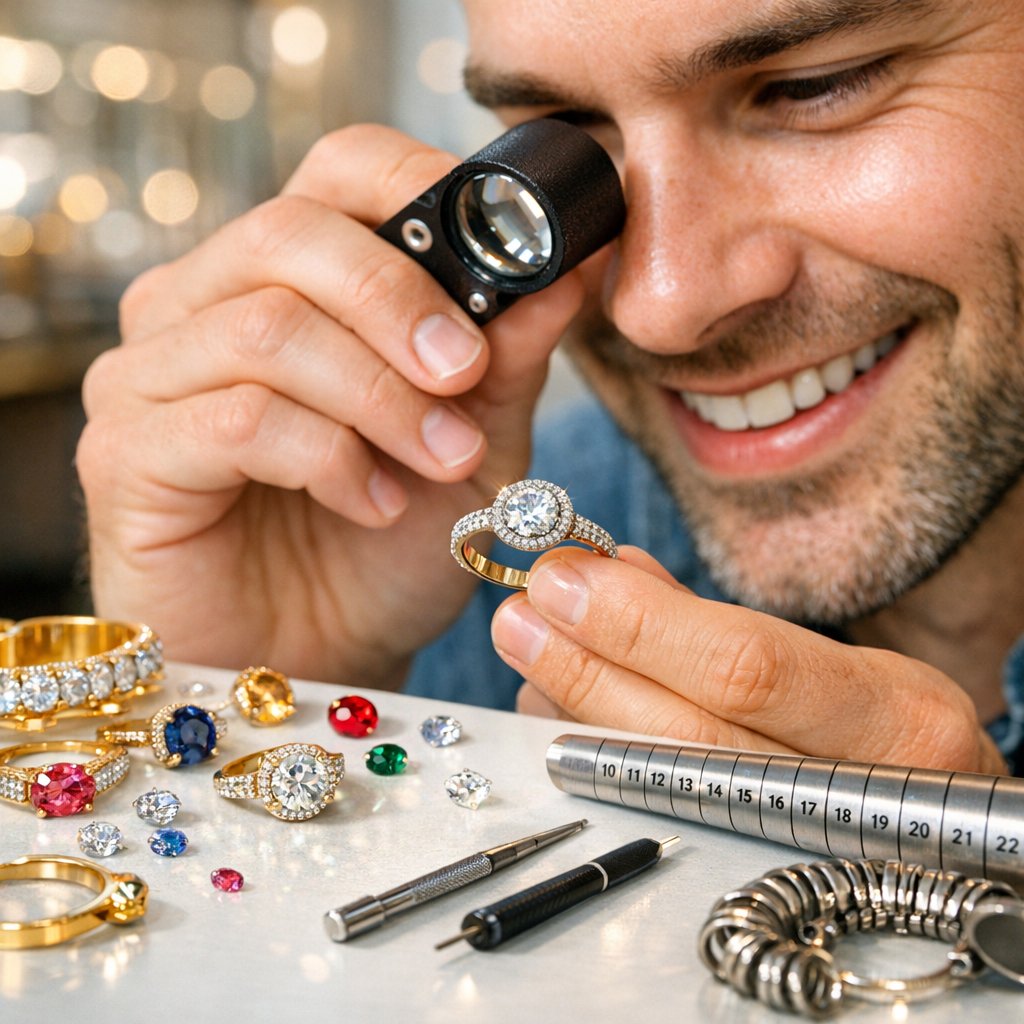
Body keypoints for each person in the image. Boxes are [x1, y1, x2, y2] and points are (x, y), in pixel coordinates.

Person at [78, 0, 1024, 776]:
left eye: (815, 88)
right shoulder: (497, 552)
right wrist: (254, 704)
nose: (657, 307)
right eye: (562, 142)